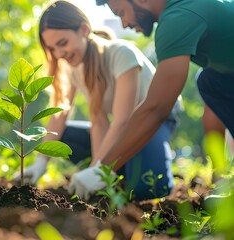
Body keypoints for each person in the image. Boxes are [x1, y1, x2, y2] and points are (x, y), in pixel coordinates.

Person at [18, 0, 180, 201]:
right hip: (123, 128)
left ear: (84, 30)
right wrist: (40, 161)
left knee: (149, 187)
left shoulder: (122, 54)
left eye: (62, 43)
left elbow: (122, 122)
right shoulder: (74, 68)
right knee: (64, 136)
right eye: (52, 49)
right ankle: (118, 172)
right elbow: (88, 120)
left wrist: (99, 169)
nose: (59, 54)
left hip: (155, 120)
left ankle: (121, 171)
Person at [84, 0, 234, 198]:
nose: (124, 24)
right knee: (208, 81)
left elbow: (156, 108)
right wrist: (219, 174)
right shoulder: (186, 8)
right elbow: (213, 105)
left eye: (121, 12)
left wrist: (101, 169)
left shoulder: (177, 18)